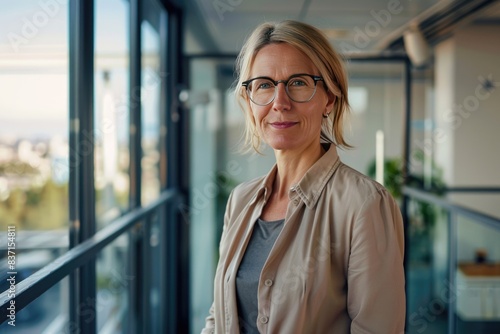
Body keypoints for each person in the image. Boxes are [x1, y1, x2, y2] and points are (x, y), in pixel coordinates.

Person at [202, 20, 405, 334]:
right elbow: (219, 315)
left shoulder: (363, 205)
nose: (280, 103)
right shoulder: (240, 200)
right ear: (249, 100)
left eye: (298, 83)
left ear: (329, 98)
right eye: (264, 85)